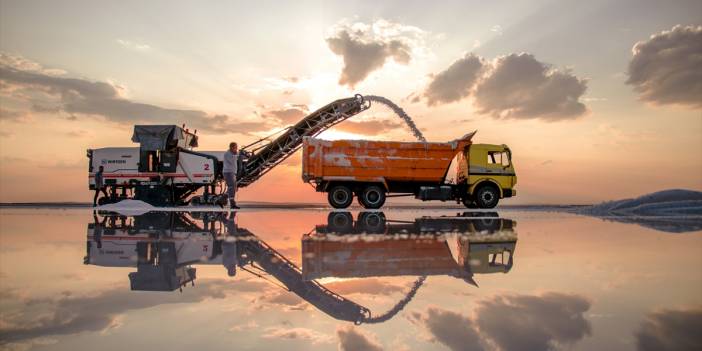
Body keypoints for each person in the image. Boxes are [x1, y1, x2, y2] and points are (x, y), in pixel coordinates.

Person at [223, 142, 240, 209]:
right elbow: (232, 161)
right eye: (235, 147)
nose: (236, 149)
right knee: (231, 187)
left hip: (232, 173)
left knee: (233, 187)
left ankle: (221, 200)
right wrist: (237, 155)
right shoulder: (227, 154)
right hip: (228, 172)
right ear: (231, 147)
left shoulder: (232, 154)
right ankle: (232, 204)